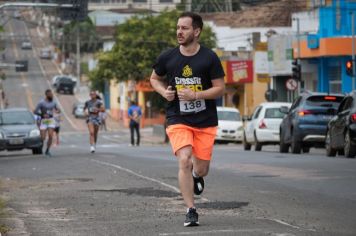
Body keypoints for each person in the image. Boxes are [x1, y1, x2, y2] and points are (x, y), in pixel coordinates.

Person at [150, 12, 225, 227]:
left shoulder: (209, 58)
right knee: (184, 159)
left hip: (205, 120)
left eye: (184, 28)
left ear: (197, 31)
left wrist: (196, 95)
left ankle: (196, 174)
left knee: (201, 169)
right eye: (177, 28)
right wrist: (164, 93)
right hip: (178, 117)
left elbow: (220, 88)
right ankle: (191, 209)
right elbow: (154, 79)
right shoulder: (168, 57)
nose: (179, 32)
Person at [34, 89, 61, 157]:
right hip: (44, 121)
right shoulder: (41, 102)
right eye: (50, 95)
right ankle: (41, 144)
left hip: (51, 120)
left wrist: (58, 110)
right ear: (47, 95)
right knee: (43, 137)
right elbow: (35, 111)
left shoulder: (54, 102)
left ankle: (47, 150)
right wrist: (42, 115)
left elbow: (57, 109)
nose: (52, 96)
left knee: (51, 136)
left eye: (52, 94)